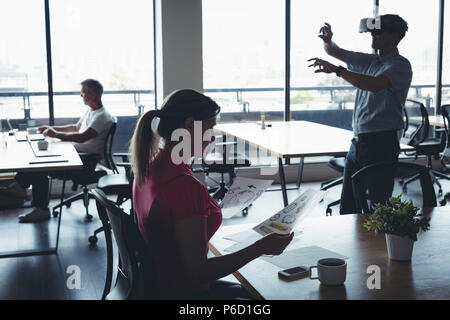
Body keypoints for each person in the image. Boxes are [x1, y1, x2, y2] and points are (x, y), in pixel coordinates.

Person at [130, 89, 293, 299]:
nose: (214, 137)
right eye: (211, 127)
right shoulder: (185, 186)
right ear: (189, 126)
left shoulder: (148, 168)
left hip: (160, 285)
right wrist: (261, 248)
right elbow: (199, 273)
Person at [308, 14, 412, 214]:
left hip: (382, 142)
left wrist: (338, 71)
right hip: (359, 141)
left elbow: (373, 85)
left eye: (379, 31)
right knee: (349, 203)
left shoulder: (400, 65)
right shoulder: (371, 61)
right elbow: (335, 51)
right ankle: (353, 245)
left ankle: (381, 245)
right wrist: (328, 41)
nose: (373, 34)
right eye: (372, 30)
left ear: (395, 36)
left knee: (379, 205)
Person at [11, 79, 113, 222]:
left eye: (83, 92)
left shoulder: (101, 116)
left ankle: (32, 200)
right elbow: (75, 127)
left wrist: (56, 135)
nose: (81, 95)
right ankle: (20, 186)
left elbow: (81, 137)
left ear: (94, 94)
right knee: (39, 161)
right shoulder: (92, 112)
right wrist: (52, 129)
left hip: (85, 162)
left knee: (41, 167)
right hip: (79, 156)